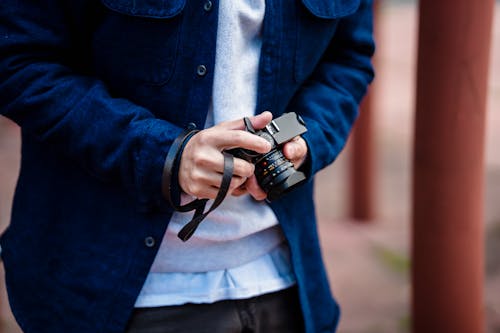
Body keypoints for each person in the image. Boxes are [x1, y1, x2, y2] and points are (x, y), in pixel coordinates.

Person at [0, 0, 375, 332]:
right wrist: (164, 154)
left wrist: (306, 140)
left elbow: (348, 59)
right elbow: (18, 61)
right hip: (115, 291)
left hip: (286, 283)